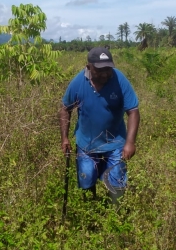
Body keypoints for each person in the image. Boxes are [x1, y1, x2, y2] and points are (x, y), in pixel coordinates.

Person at [59, 47, 140, 205]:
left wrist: (130, 142)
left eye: (108, 69)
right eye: (99, 70)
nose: (105, 74)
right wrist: (65, 138)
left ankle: (116, 217)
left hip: (116, 143)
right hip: (86, 145)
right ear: (88, 67)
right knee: (87, 179)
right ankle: (91, 212)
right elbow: (65, 110)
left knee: (117, 182)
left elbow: (133, 111)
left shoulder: (119, 79)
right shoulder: (78, 83)